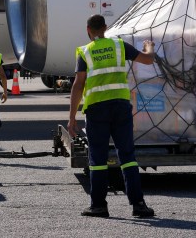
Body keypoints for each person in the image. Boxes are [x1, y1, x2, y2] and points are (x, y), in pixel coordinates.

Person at [67, 14, 156, 218]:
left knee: (97, 158)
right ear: (105, 28)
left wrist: (72, 117)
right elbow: (148, 60)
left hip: (96, 109)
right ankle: (138, 205)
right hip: (120, 106)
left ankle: (99, 206)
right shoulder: (119, 46)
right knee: (127, 156)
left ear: (88, 29)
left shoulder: (85, 51)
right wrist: (149, 46)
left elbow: (78, 85)